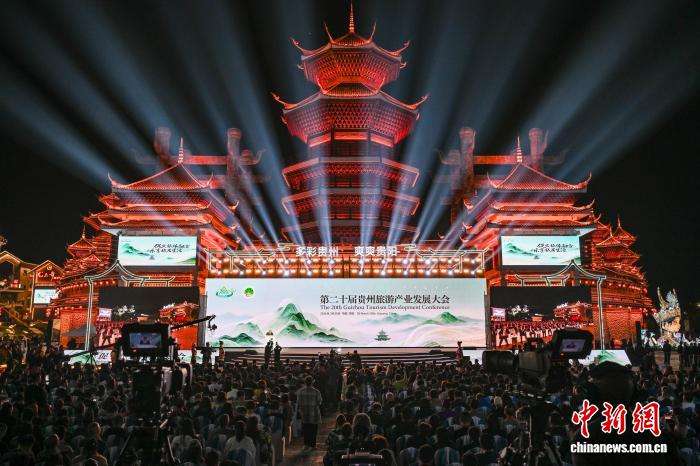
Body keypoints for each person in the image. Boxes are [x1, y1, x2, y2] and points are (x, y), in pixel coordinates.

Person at [296, 375, 323, 451]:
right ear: (312, 382)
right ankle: (313, 445)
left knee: (305, 429)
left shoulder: (300, 391)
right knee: (314, 430)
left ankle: (306, 444)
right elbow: (319, 402)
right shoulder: (316, 392)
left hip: (304, 413)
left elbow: (298, 402)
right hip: (314, 413)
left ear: (305, 382)